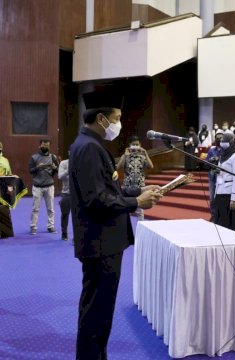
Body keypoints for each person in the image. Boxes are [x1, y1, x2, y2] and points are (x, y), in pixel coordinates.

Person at [70, 103, 161, 360]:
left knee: (100, 309)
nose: (119, 124)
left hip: (103, 240)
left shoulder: (90, 144)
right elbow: (97, 200)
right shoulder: (89, 148)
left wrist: (136, 193)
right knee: (97, 310)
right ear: (101, 119)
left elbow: (109, 190)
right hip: (101, 241)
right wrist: (136, 203)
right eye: (117, 118)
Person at [117, 135, 154, 221]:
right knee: (126, 208)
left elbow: (151, 166)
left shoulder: (142, 157)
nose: (136, 146)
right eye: (133, 144)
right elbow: (118, 167)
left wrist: (146, 154)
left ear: (140, 145)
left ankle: (140, 227)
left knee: (140, 211)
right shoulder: (125, 156)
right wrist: (125, 156)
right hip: (128, 187)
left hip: (140, 187)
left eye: (137, 144)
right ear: (129, 145)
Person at [214, 132, 235, 233]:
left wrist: (234, 198)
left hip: (230, 193)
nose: (222, 143)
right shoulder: (223, 154)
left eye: (225, 141)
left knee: (231, 223)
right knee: (220, 222)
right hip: (220, 191)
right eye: (222, 141)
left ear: (232, 142)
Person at [28, 139, 59, 235]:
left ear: (49, 146)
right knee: (35, 208)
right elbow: (30, 171)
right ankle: (33, 227)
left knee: (51, 208)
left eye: (47, 145)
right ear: (39, 145)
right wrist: (37, 168)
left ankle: (51, 226)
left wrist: (55, 168)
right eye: (43, 145)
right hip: (37, 186)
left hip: (49, 186)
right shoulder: (34, 157)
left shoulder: (53, 157)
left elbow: (57, 171)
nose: (45, 146)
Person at [207, 131, 224, 222]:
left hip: (221, 176)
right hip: (212, 176)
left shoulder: (225, 149)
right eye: (217, 138)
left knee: (220, 197)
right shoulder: (211, 149)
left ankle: (219, 216)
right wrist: (210, 160)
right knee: (212, 198)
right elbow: (206, 163)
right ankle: (213, 215)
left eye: (221, 138)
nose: (219, 140)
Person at [58, 155, 70, 241]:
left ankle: (77, 237)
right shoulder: (63, 163)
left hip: (78, 194)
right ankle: (64, 233)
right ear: (69, 152)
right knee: (65, 214)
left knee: (78, 216)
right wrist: (68, 171)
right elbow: (60, 176)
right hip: (66, 193)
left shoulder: (81, 162)